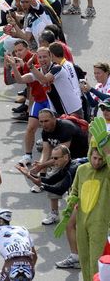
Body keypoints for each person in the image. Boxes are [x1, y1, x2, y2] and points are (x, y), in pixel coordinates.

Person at [55, 119, 110, 281]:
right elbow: (75, 193)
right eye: (94, 158)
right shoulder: (82, 169)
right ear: (89, 155)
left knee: (96, 260)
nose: (97, 162)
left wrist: (106, 148)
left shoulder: (107, 173)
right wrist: (66, 214)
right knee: (84, 259)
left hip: (99, 222)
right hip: (81, 220)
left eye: (100, 159)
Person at [17, 144, 85, 225]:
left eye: (56, 158)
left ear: (66, 157)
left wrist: (41, 185)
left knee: (73, 221)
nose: (53, 161)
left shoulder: (72, 169)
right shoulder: (67, 166)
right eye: (52, 158)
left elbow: (60, 190)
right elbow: (51, 181)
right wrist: (29, 174)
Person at [0, 208, 37, 280]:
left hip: (11, 266)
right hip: (28, 267)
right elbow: (35, 256)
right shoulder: (23, 229)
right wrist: (29, 267)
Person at [29, 49, 84, 116]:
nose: (42, 59)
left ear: (50, 57)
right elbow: (21, 79)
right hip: (57, 110)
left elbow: (44, 80)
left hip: (72, 109)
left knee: (74, 126)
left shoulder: (57, 68)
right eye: (40, 57)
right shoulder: (40, 71)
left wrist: (31, 66)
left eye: (44, 56)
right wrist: (14, 66)